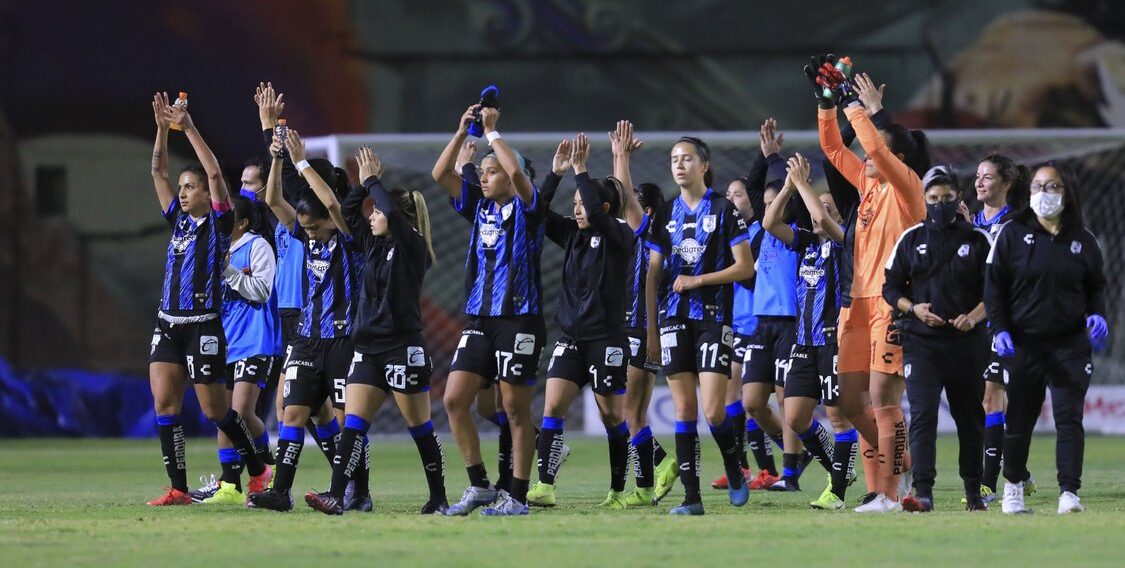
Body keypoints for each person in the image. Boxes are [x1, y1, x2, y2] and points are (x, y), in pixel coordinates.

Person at [305, 146, 448, 515]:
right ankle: (337, 496)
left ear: (397, 216)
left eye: (379, 211)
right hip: (367, 349)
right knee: (352, 427)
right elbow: (349, 212)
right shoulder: (372, 246)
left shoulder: (412, 245)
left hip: (402, 348)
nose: (372, 217)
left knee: (420, 427)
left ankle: (438, 496)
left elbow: (394, 220)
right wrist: (364, 188)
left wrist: (373, 181)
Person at [144, 92, 271, 505]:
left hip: (203, 325)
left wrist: (190, 127)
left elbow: (216, 174)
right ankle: (178, 489)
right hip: (168, 322)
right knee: (165, 404)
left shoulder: (218, 225)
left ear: (206, 194)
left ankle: (257, 470)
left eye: (190, 187)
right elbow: (157, 170)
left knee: (217, 413)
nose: (182, 193)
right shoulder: (177, 220)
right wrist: (163, 129)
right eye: (182, 187)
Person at [816, 68, 928, 513]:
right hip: (854, 305)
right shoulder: (866, 184)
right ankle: (903, 463)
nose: (863, 155)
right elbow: (830, 147)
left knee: (883, 400)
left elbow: (877, 147)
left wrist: (854, 106)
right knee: (847, 402)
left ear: (897, 160)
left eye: (872, 151)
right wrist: (826, 102)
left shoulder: (908, 189)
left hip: (889, 305)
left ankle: (885, 493)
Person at [432, 105, 546, 516]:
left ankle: (517, 496)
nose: (483, 176)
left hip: (519, 319)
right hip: (479, 319)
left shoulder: (530, 210)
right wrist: (462, 132)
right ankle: (480, 485)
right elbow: (440, 175)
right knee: (455, 400)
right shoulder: (479, 208)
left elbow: (517, 176)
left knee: (515, 410)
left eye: (490, 171)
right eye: (482, 170)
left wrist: (494, 134)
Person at [248, 131, 364, 512]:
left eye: (314, 227)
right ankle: (281, 492)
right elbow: (272, 199)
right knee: (292, 412)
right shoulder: (305, 233)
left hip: (343, 340)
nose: (308, 233)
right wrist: (279, 159)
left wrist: (301, 162)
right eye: (306, 228)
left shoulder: (349, 237)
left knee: (349, 421)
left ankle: (355, 492)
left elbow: (332, 203)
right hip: (306, 338)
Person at [985, 162, 1108, 515]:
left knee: (1070, 418)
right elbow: (994, 289)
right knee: (1020, 418)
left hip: (1070, 346)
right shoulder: (1011, 234)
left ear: (1067, 193)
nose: (1044, 194)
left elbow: (1096, 287)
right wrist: (1001, 328)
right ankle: (1012, 489)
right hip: (1024, 344)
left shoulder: (1083, 240)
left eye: (1052, 187)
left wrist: (1096, 314)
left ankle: (1069, 493)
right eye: (1038, 187)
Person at [525, 133, 636, 509]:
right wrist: (556, 174)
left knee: (611, 417)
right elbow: (536, 214)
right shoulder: (573, 235)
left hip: (607, 340)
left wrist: (581, 169)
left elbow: (596, 205)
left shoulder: (620, 234)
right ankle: (545, 486)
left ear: (602, 207)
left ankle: (619, 491)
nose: (576, 210)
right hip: (571, 337)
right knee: (552, 408)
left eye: (582, 204)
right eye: (573, 204)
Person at [646, 136, 755, 515]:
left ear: (704, 165)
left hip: (711, 318)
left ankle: (733, 468)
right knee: (684, 411)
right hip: (673, 319)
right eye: (674, 159)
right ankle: (692, 499)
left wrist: (698, 280)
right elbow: (653, 273)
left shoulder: (725, 209)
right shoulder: (663, 213)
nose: (679, 165)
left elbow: (745, 267)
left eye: (687, 158)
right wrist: (651, 329)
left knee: (713, 411)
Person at [883, 165, 994, 512]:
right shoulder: (911, 239)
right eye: (933, 199)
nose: (940, 204)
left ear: (959, 198)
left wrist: (972, 318)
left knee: (970, 419)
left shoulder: (979, 240)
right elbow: (890, 288)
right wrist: (914, 309)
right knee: (924, 415)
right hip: (922, 343)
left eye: (947, 198)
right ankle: (924, 492)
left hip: (967, 345)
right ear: (924, 200)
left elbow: (996, 292)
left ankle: (974, 493)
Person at [254, 83, 345, 471]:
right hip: (292, 315)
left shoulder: (333, 226)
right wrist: (271, 131)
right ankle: (344, 472)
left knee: (297, 407)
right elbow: (278, 189)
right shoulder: (293, 221)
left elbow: (291, 182)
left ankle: (346, 475)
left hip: (320, 321)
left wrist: (275, 133)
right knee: (313, 412)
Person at [763, 153, 858, 510]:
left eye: (830, 207)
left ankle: (836, 491)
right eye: (819, 205)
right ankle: (839, 467)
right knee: (796, 417)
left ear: (839, 216)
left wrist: (804, 182)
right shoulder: (805, 242)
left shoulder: (844, 241)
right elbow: (770, 222)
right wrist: (789, 185)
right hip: (803, 343)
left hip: (834, 341)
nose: (821, 210)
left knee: (837, 416)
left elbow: (820, 217)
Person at [191, 195, 282, 505]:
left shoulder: (258, 247)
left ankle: (266, 466)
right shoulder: (217, 247)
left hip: (255, 340)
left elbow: (262, 290)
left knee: (242, 411)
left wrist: (229, 271)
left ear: (241, 223)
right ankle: (229, 486)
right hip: (224, 341)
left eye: (228, 218)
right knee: (224, 414)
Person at [610, 122, 679, 506]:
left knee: (629, 413)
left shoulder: (650, 231)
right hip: (645, 329)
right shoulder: (659, 237)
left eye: (636, 202)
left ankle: (663, 467)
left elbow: (622, 198)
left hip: (641, 329)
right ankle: (647, 487)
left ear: (646, 209)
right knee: (631, 413)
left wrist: (621, 157)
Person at [741, 119, 811, 492]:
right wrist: (768, 156)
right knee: (753, 403)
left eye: (776, 201)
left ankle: (791, 473)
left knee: (788, 403)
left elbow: (775, 200)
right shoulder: (757, 232)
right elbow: (755, 190)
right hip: (761, 322)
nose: (768, 208)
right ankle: (798, 453)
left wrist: (782, 173)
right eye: (766, 204)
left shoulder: (797, 234)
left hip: (790, 322)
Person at [973, 153, 1035, 501]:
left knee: (991, 397)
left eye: (987, 177)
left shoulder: (1018, 223)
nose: (979, 181)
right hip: (972, 321)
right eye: (978, 176)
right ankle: (1020, 470)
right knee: (982, 400)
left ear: (1006, 184)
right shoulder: (971, 221)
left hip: (1004, 320)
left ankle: (987, 484)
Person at [712, 173, 768, 491]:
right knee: (733, 398)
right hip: (734, 324)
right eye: (729, 195)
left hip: (758, 325)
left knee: (756, 401)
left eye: (739, 195)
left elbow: (750, 278)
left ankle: (782, 464)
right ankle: (743, 468)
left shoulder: (761, 233)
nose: (732, 200)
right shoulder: (729, 233)